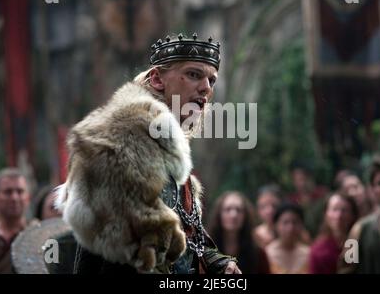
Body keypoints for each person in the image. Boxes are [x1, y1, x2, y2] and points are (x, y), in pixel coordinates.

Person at [55, 33, 241, 274]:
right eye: (194, 74)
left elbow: (185, 242)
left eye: (211, 81)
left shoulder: (170, 154)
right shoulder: (120, 148)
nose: (206, 88)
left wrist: (217, 263)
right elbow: (138, 259)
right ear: (157, 79)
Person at [207, 191, 270, 274]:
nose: (233, 215)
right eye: (228, 209)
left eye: (239, 210)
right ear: (219, 215)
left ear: (245, 216)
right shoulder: (206, 251)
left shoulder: (258, 254)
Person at [309, 193, 358, 274]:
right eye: (335, 209)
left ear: (353, 214)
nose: (339, 215)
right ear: (326, 214)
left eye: (344, 210)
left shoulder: (360, 242)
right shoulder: (319, 250)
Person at [265, 202, 310, 274]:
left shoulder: (310, 255)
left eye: (295, 222)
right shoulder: (266, 255)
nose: (291, 228)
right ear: (275, 225)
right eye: (285, 222)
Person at [253, 184, 282, 248]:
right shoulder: (254, 235)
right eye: (264, 206)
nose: (270, 211)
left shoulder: (294, 232)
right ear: (258, 210)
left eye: (274, 206)